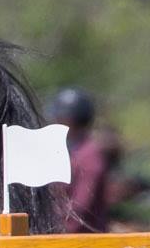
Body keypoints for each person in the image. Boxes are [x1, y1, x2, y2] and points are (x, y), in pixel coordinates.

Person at [52, 87, 133, 231]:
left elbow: (80, 208)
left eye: (60, 118)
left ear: (71, 120)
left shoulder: (90, 157)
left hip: (84, 240)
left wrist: (48, 230)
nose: (56, 122)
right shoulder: (69, 151)